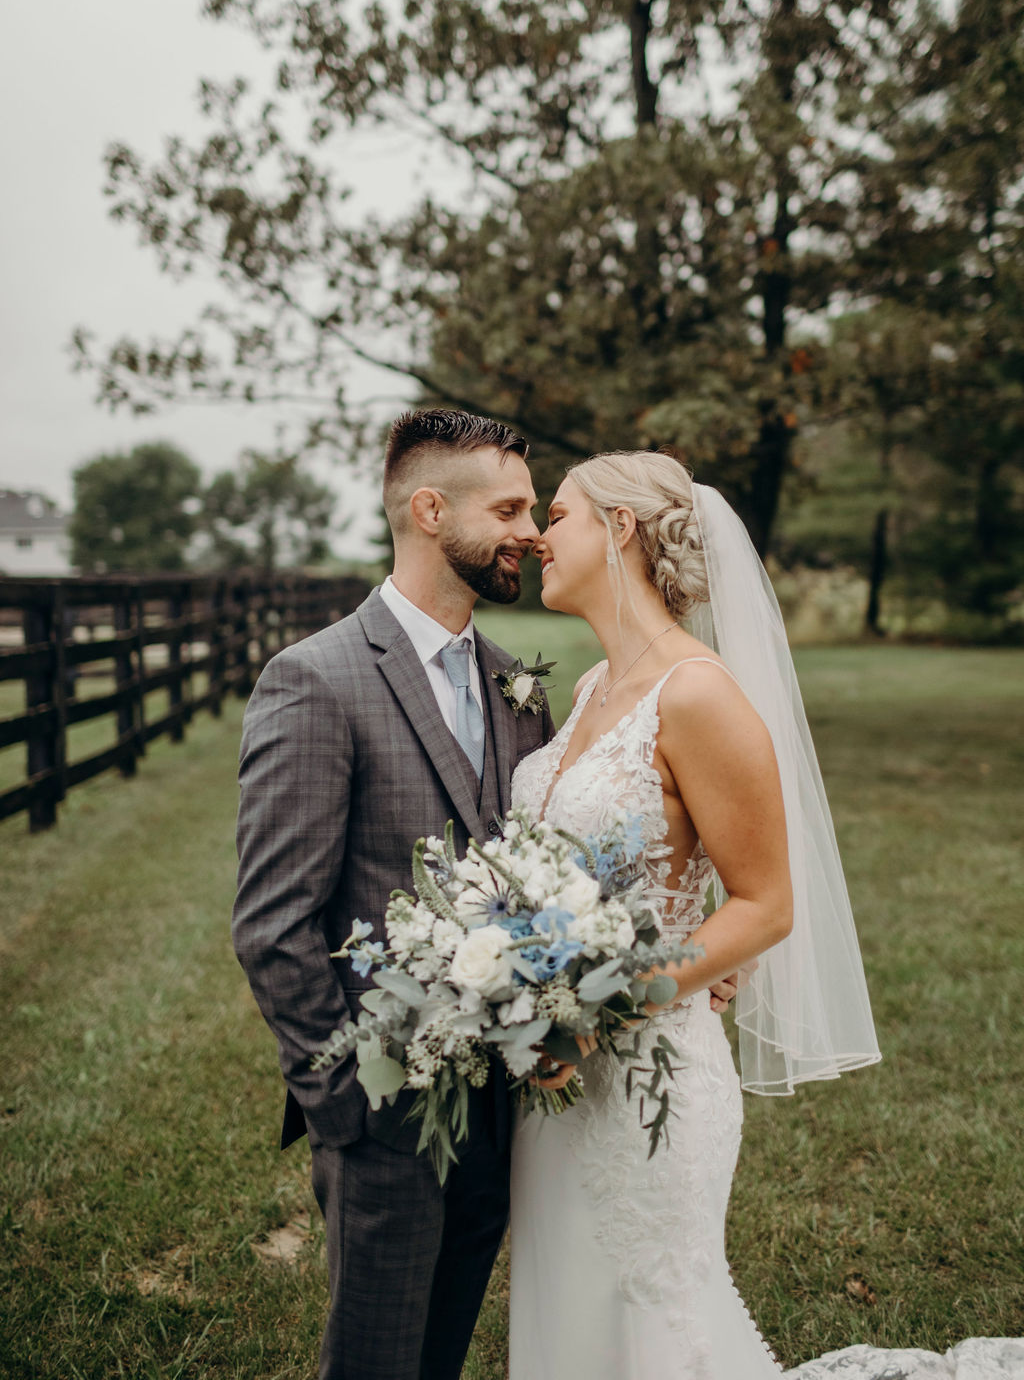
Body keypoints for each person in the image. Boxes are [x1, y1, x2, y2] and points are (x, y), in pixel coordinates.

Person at [508, 451, 1023, 1380]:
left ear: (620, 528)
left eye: (559, 513)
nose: (540, 536)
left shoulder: (696, 693)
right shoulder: (589, 689)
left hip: (646, 1083)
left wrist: (599, 1010)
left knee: (647, 1320)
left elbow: (765, 904)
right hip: (554, 1079)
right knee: (570, 1311)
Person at [233, 409, 551, 1380]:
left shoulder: (515, 685)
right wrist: (347, 1111)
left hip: (500, 1108)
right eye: (509, 509)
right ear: (428, 510)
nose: (532, 531)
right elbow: (273, 924)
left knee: (443, 1353)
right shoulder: (316, 680)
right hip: (381, 1119)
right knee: (373, 1360)